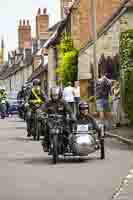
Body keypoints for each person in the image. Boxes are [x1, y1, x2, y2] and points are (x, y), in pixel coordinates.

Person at [42, 85, 75, 151]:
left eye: (56, 95)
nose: (55, 97)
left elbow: (70, 110)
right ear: (51, 95)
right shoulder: (48, 102)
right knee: (46, 129)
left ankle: (69, 145)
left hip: (62, 121)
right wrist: (41, 114)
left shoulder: (63, 102)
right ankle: (46, 144)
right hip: (51, 121)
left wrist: (72, 116)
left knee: (68, 131)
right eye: (53, 95)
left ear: (59, 94)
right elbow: (43, 108)